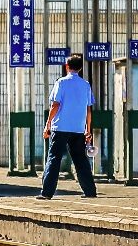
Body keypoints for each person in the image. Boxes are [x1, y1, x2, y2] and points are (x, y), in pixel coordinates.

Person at [38, 53, 98, 199]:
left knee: (54, 158)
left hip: (60, 128)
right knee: (80, 160)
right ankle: (90, 191)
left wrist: (48, 125)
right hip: (78, 129)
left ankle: (47, 193)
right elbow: (88, 109)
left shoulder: (61, 82)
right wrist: (88, 130)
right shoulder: (86, 85)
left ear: (67, 66)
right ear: (80, 68)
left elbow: (55, 105)